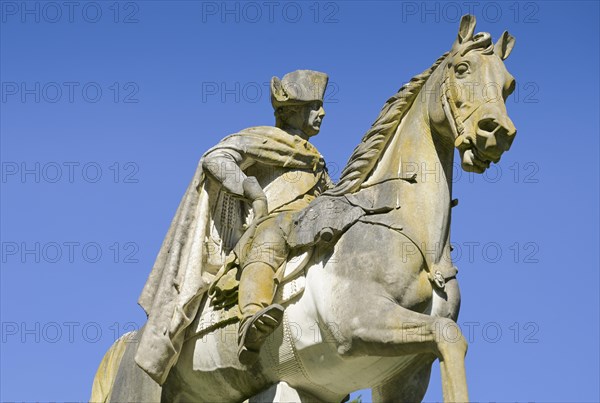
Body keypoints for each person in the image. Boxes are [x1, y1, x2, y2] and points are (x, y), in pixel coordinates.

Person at [201, 70, 333, 365]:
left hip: (315, 221)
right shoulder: (265, 138)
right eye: (315, 106)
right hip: (276, 219)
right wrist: (251, 189)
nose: (323, 112)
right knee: (272, 235)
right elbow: (215, 158)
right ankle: (251, 318)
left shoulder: (316, 159)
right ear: (294, 110)